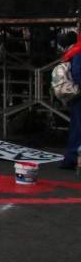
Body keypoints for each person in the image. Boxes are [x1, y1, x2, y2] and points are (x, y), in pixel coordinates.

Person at [59, 32, 81, 171]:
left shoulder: (75, 51)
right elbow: (78, 74)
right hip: (79, 96)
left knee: (76, 128)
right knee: (78, 128)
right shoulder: (78, 52)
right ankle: (72, 158)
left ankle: (71, 159)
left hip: (76, 96)